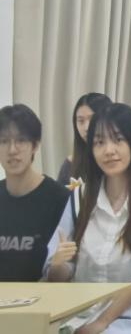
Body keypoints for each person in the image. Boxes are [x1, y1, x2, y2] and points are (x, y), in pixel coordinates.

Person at [44, 103, 131, 332]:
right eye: (99, 142)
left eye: (118, 139)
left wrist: (103, 321)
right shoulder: (80, 197)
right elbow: (60, 270)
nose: (108, 150)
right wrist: (58, 265)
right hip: (79, 314)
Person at [0, 104, 71, 282]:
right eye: (4, 141)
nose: (12, 150)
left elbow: (66, 270)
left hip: (44, 297)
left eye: (21, 140)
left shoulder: (60, 199)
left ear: (35, 145)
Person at [58, 93, 112, 185]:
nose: (86, 128)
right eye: (81, 121)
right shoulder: (70, 164)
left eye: (92, 119)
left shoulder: (117, 159)